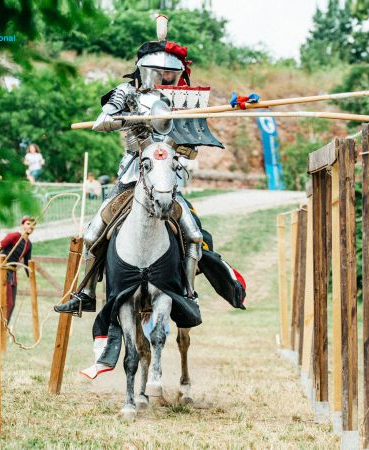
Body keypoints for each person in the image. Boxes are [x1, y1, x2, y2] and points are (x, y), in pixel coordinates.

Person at [53, 15, 246, 379]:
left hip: (166, 177)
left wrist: (233, 108)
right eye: (156, 73)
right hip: (132, 175)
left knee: (192, 233)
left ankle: (186, 289)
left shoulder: (178, 101)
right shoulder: (125, 93)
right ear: (142, 70)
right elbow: (101, 120)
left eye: (167, 74)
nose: (162, 80)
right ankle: (84, 292)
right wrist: (118, 120)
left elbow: (191, 144)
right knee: (94, 232)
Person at [0, 217, 35, 322]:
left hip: (12, 272)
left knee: (11, 304)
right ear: (22, 225)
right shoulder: (15, 236)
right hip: (3, 269)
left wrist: (30, 276)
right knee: (6, 302)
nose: (31, 226)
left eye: (33, 225)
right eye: (28, 223)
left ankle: (5, 326)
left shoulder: (29, 244)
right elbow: (0, 245)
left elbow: (27, 262)